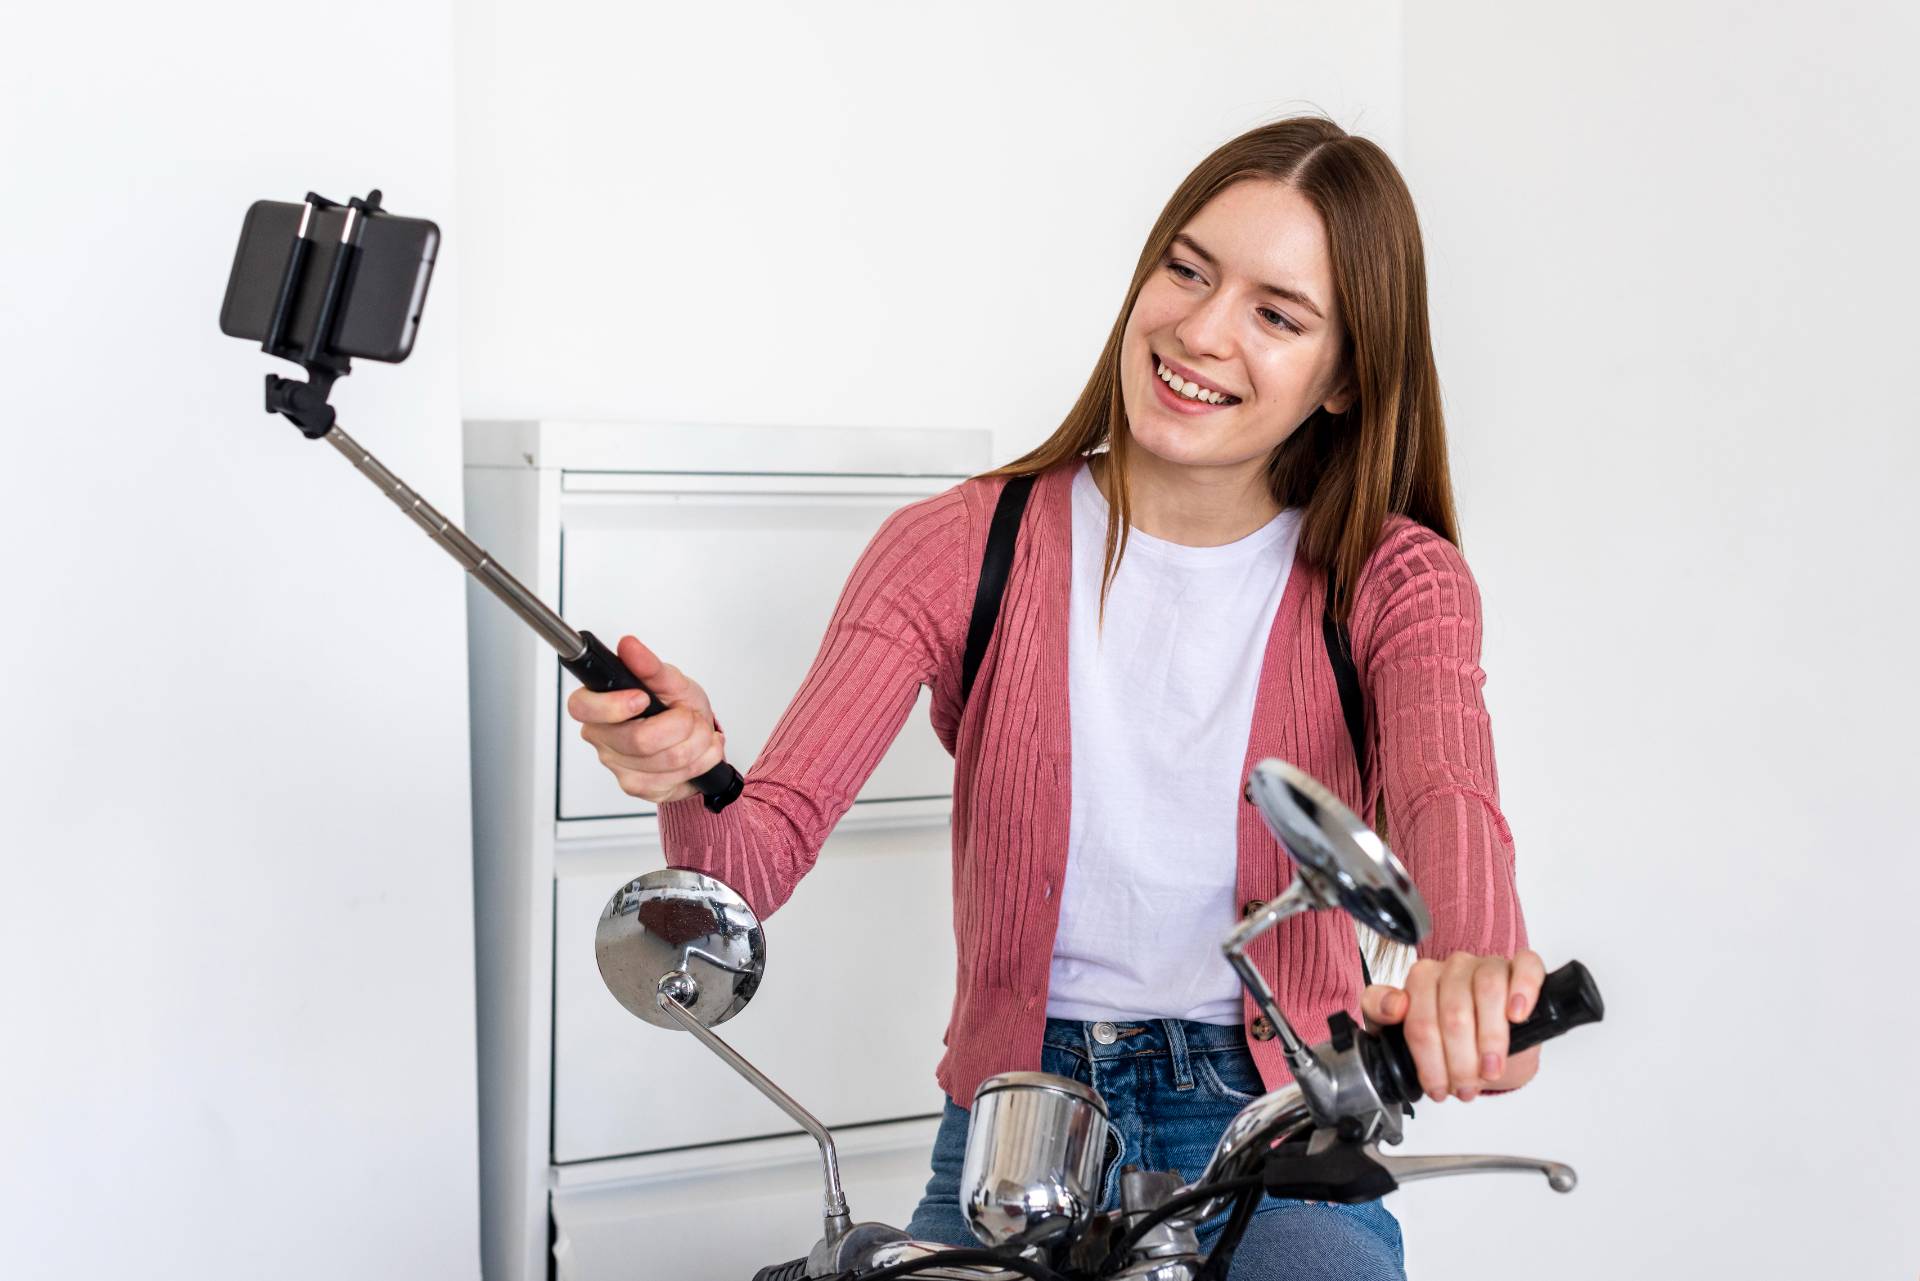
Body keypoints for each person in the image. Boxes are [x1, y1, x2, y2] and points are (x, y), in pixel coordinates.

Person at [567, 114, 1544, 1279]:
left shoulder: (1397, 579)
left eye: (1276, 315)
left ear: (1344, 380)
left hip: (1268, 1118)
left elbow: (1448, 791)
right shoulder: (954, 545)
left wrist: (1474, 972)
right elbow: (752, 860)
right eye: (1187, 270)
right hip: (1013, 1123)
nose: (1200, 329)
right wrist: (687, 771)